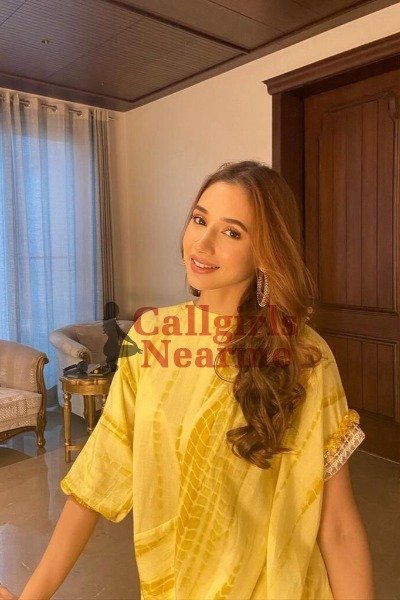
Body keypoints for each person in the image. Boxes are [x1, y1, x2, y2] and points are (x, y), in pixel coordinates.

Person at [0, 161, 375, 600]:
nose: (203, 242)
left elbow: (338, 526)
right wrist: (32, 595)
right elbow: (98, 476)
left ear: (265, 252)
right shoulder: (151, 337)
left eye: (232, 232)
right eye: (199, 220)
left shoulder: (303, 355)